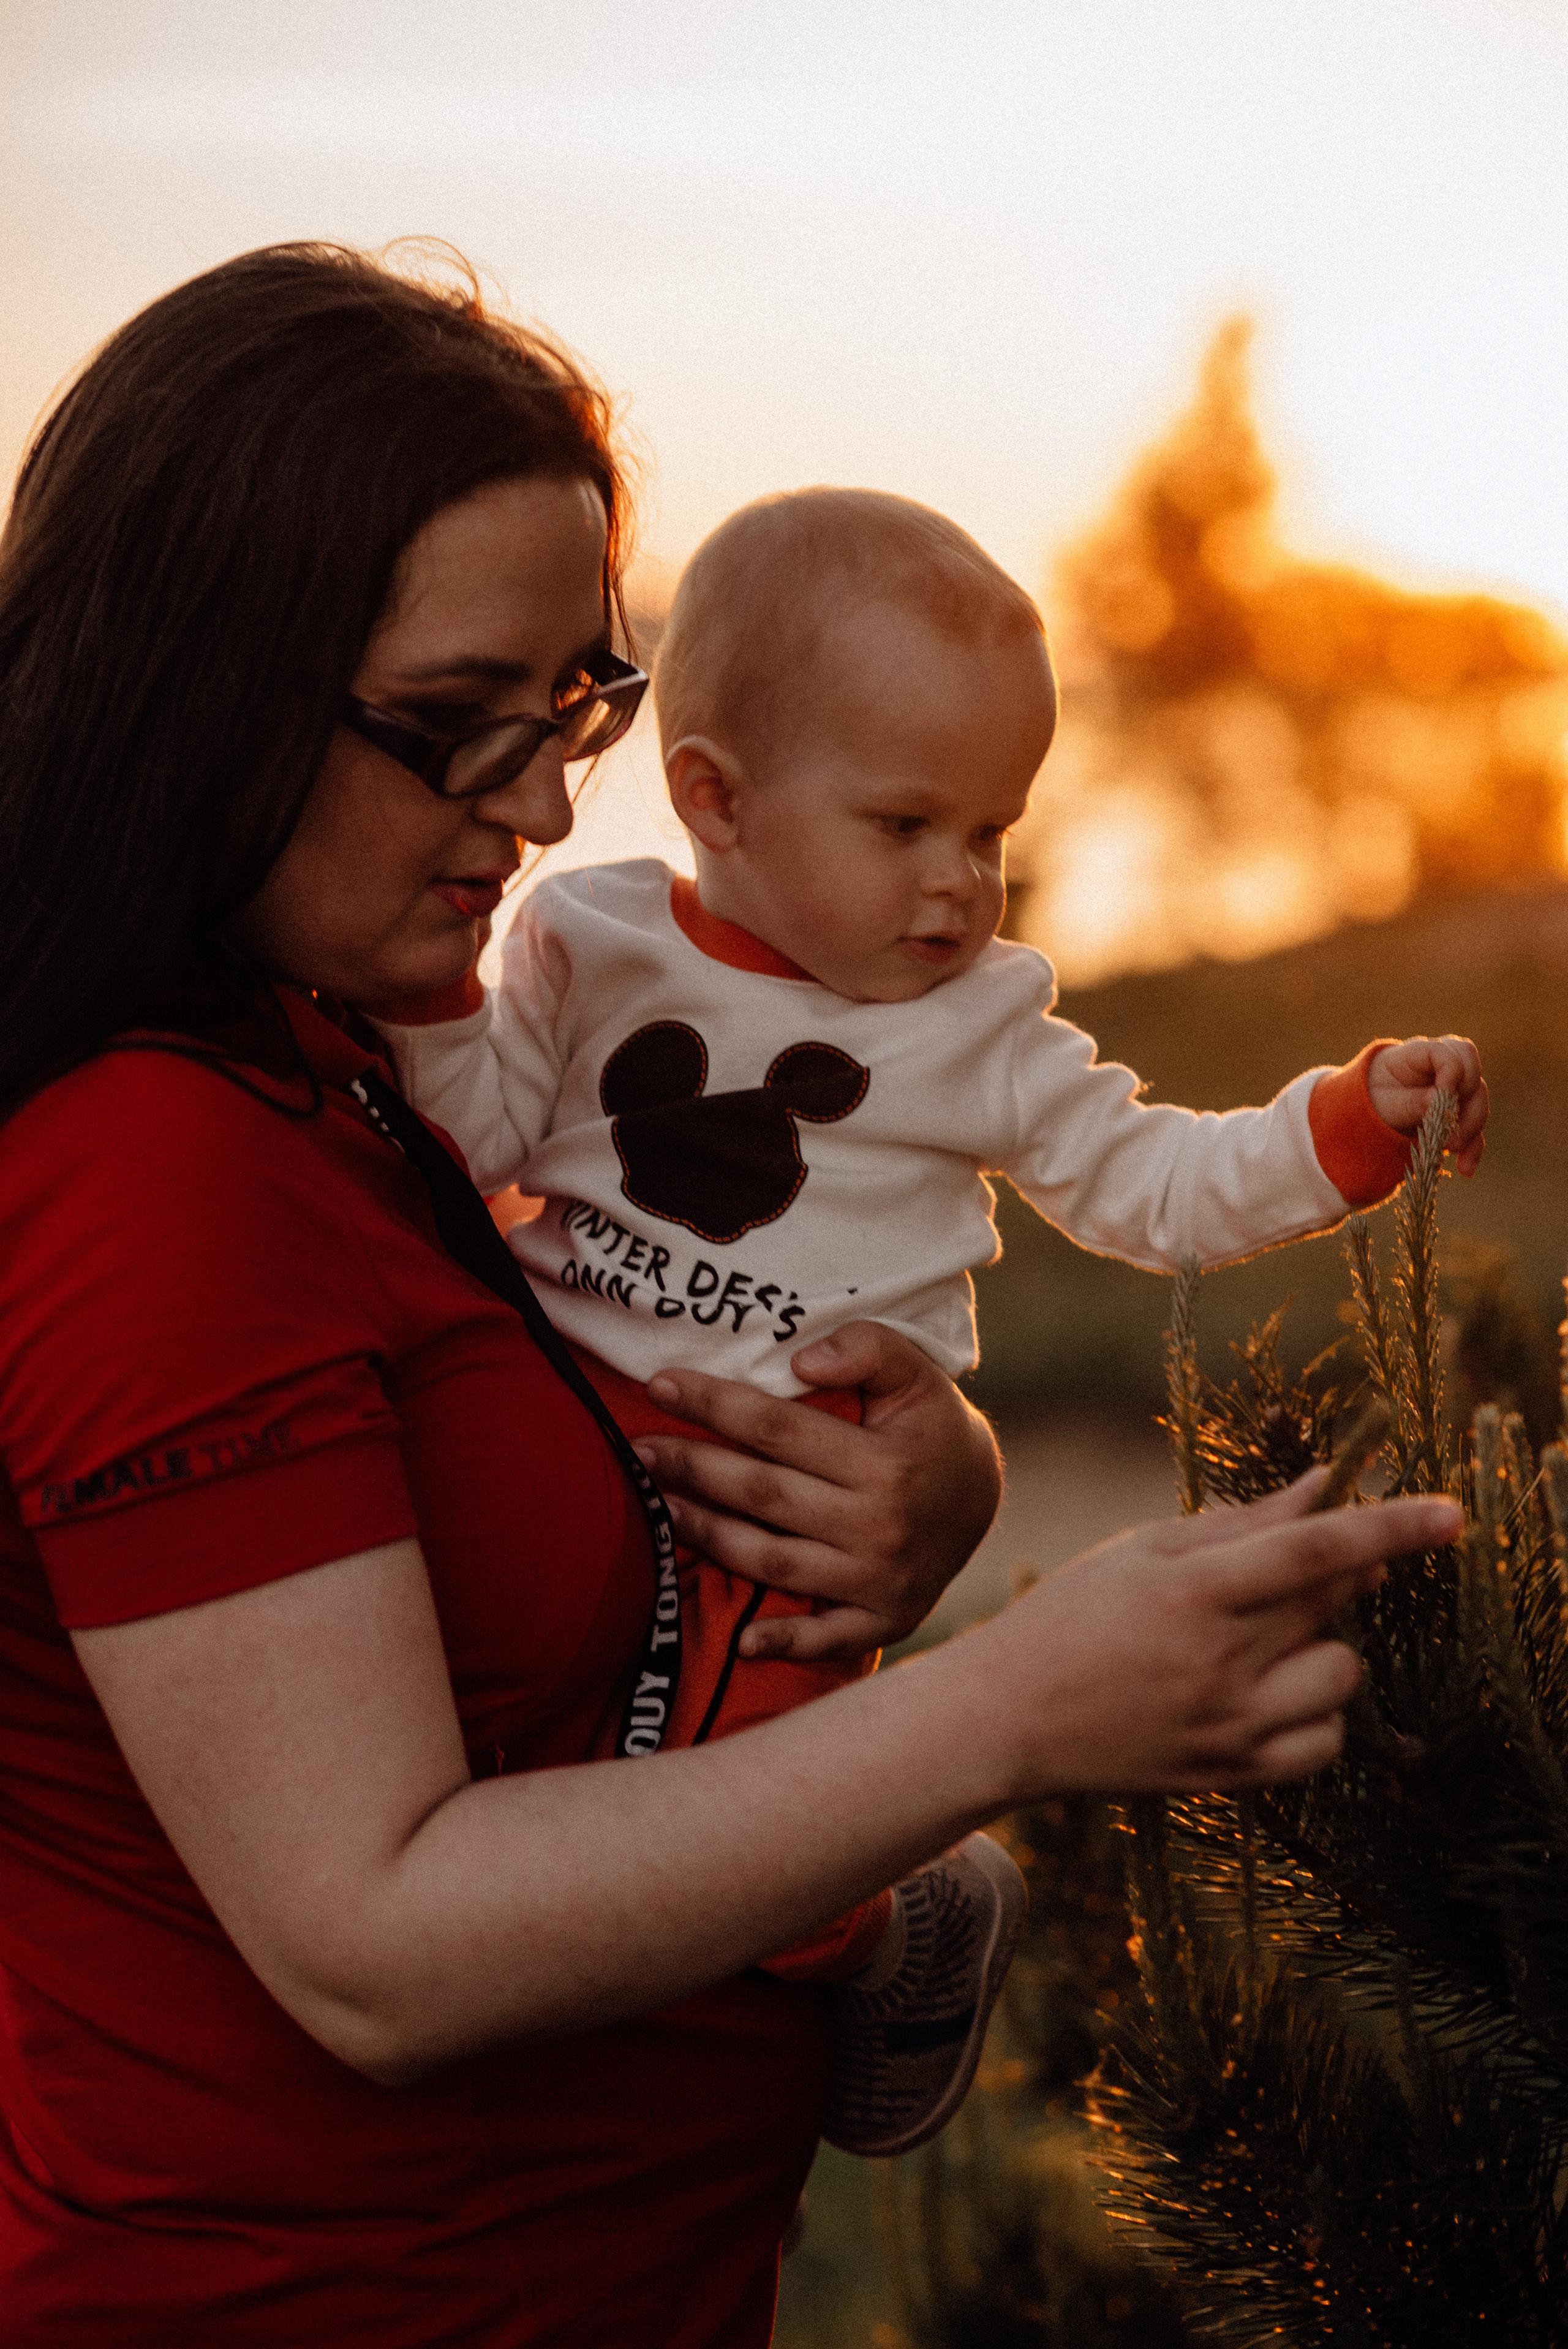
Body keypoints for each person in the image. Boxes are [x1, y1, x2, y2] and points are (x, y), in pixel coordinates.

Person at [0, 243, 1466, 2349]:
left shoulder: (329, 1056)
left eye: (575, 706)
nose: (534, 804)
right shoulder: (144, 1166)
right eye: (453, 728)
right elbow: (373, 1943)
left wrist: (934, 1473)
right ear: (193, 676)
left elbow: (562, 1390)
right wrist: (1018, 1707)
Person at [374, 484, 1489, 2149]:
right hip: (561, 1417)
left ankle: (898, 1932)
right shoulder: (588, 942)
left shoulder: (981, 1030)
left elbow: (1150, 1183)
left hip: (803, 1501)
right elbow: (475, 1134)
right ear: (713, 797)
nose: (961, 884)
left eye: (994, 832)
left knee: (775, 1835)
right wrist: (436, 998)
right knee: (522, 1780)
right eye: (907, 826)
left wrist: (1338, 1122)